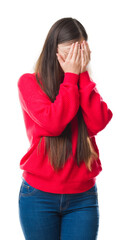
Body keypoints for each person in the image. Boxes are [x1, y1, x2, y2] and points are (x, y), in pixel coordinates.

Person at [17, 17, 113, 240]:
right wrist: (71, 77)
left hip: (83, 198)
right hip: (38, 197)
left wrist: (82, 75)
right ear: (54, 50)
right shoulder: (29, 83)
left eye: (81, 50)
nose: (75, 58)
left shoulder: (83, 85)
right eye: (70, 51)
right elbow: (53, 124)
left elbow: (98, 122)